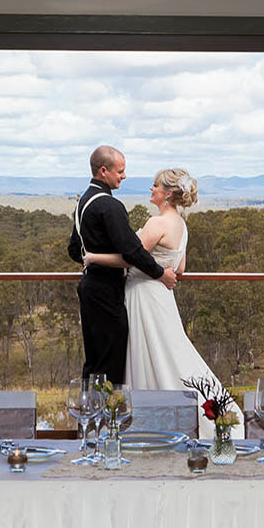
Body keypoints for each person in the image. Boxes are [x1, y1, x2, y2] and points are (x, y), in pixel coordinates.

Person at [84, 168, 244, 439]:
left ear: (168, 194)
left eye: (155, 185)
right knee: (171, 351)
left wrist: (93, 257)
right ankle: (211, 415)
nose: (151, 189)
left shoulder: (157, 223)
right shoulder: (181, 225)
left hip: (143, 296)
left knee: (150, 353)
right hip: (163, 298)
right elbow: (179, 268)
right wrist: (162, 270)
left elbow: (130, 258)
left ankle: (145, 424)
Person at [67, 145, 177, 384]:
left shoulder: (84, 202)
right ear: (103, 171)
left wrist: (93, 262)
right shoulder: (110, 206)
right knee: (111, 360)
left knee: (94, 360)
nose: (124, 176)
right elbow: (133, 251)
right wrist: (160, 273)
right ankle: (108, 408)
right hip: (107, 291)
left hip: (89, 287)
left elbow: (74, 250)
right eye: (120, 171)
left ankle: (89, 408)